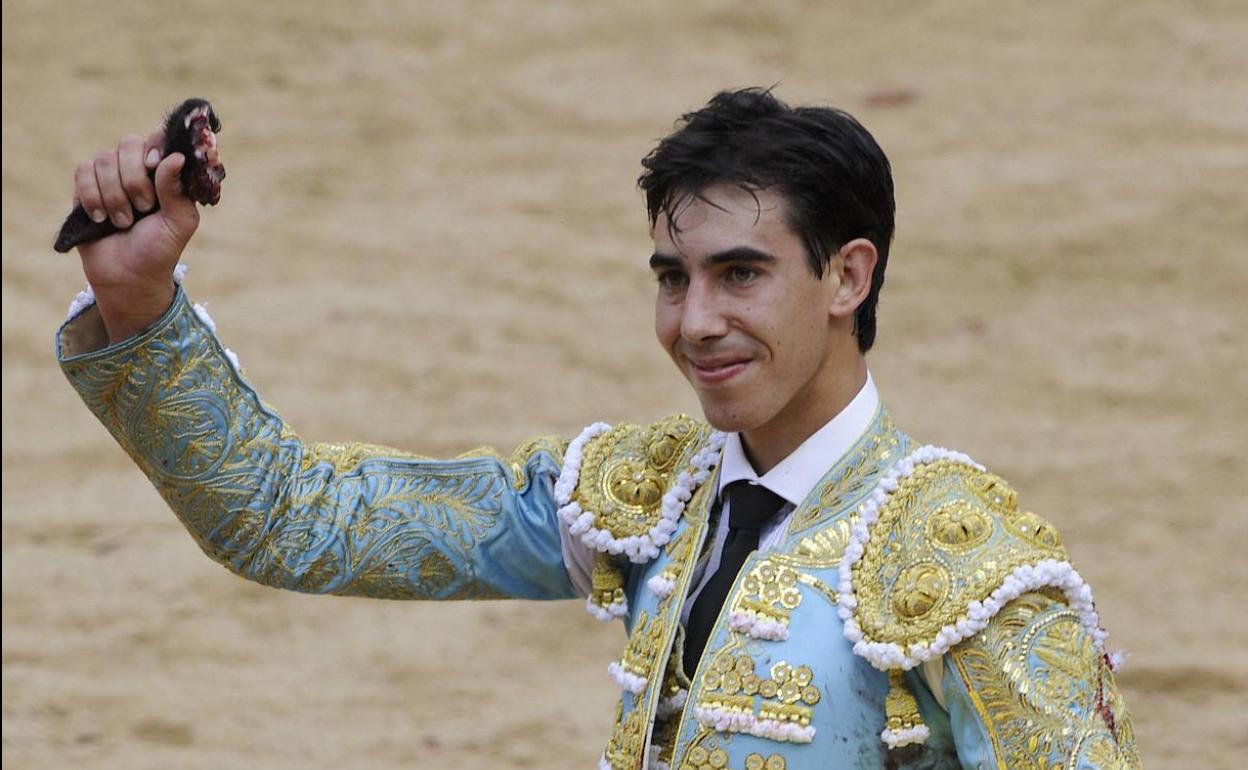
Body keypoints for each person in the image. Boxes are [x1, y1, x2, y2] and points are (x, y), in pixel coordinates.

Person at [56, 88, 1139, 770]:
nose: (695, 321)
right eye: (674, 277)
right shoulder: (644, 494)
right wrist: (142, 304)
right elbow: (293, 520)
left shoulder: (977, 571)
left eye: (742, 274)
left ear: (848, 274)